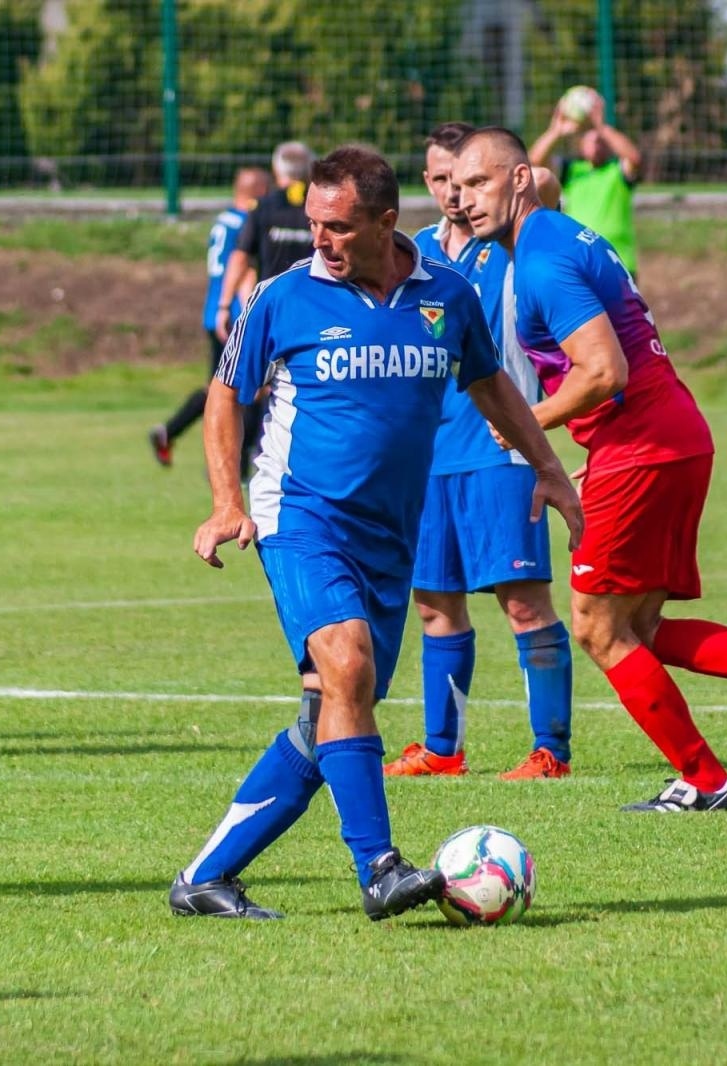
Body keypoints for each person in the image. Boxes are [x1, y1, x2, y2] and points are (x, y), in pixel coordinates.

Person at [172, 145, 583, 920]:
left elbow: (492, 384)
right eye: (313, 223)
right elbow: (224, 395)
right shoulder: (282, 298)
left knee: (327, 711)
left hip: (390, 536)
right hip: (299, 518)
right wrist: (228, 503)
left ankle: (205, 877)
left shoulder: (447, 298)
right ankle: (380, 868)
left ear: (387, 223)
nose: (318, 239)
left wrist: (549, 469)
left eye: (337, 226)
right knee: (349, 669)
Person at [454, 127, 727, 812]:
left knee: (599, 629)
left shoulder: (542, 265)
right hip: (675, 436)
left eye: (478, 184)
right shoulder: (552, 224)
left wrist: (527, 423)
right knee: (639, 627)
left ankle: (706, 781)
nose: (462, 202)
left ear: (517, 179)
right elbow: (542, 180)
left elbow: (606, 372)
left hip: (639, 446)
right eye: (454, 188)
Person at [385, 122, 574, 782]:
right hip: (429, 458)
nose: (452, 194)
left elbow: (542, 181)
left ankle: (551, 751)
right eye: (440, 180)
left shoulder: (516, 240)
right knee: (435, 603)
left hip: (500, 452)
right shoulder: (420, 259)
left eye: (466, 180)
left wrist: (523, 167)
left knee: (522, 601)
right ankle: (444, 750)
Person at [149, 167, 268, 471]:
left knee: (220, 387)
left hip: (214, 312)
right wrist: (251, 314)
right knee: (249, 389)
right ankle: (236, 463)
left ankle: (169, 432)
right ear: (257, 191)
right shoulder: (247, 222)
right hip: (235, 317)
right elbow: (243, 268)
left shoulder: (223, 220)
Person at [527, 90, 642, 276]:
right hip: (580, 263)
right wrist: (555, 131)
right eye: (590, 141)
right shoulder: (572, 171)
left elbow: (634, 158)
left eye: (600, 140)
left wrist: (602, 127)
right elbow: (534, 162)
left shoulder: (617, 172)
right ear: (580, 144)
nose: (595, 144)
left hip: (618, 263)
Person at [212, 141, 314, 344]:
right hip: (313, 307)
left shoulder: (263, 207)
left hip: (272, 309)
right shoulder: (319, 206)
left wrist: (224, 306)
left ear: (277, 169)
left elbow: (241, 256)